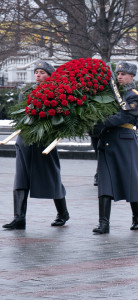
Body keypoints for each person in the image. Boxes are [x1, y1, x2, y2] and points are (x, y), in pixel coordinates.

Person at [3, 60, 70, 230]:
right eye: (36, 72)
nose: (38, 75)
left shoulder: (58, 93)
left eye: (42, 73)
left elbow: (61, 117)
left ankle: (63, 213)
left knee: (51, 176)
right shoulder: (26, 92)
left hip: (44, 140)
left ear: (50, 75)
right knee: (21, 177)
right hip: (25, 139)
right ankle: (19, 218)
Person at [93, 61, 138, 234]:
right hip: (107, 140)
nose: (119, 77)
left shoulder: (134, 96)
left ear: (132, 76)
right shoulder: (109, 94)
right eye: (118, 74)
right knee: (105, 182)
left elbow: (125, 116)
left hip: (124, 141)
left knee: (130, 180)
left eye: (123, 74)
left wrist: (102, 121)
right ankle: (104, 223)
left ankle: (137, 215)